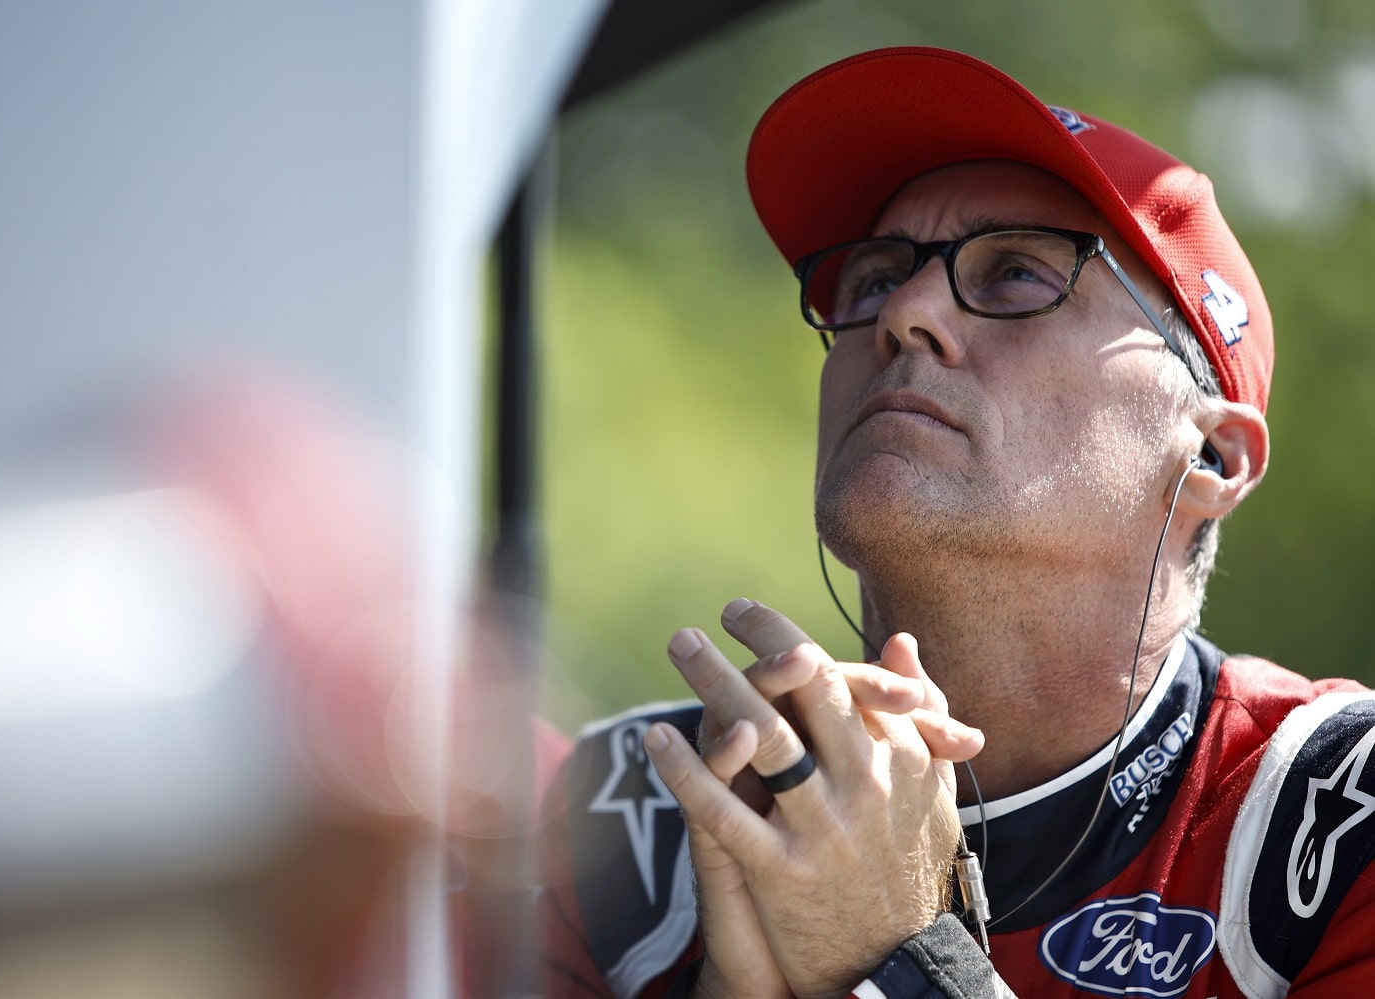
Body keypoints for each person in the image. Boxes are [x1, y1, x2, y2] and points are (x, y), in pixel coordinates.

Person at [537, 46, 1375, 999]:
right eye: (871, 277)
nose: (905, 311)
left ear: (1212, 460)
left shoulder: (1338, 820)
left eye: (1018, 272)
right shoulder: (622, 821)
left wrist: (898, 954)